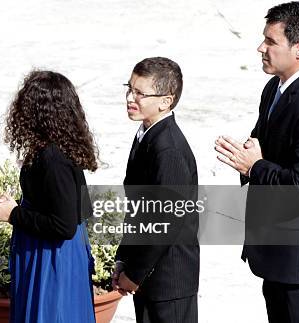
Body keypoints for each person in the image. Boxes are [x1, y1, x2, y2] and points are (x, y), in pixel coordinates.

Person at [215, 2, 299, 322]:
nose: (260, 48)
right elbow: (262, 147)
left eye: (270, 41)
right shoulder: (274, 88)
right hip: (277, 257)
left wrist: (254, 166)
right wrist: (247, 157)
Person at [0, 70, 98, 322]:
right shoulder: (59, 149)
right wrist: (22, 205)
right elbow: (79, 208)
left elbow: (64, 225)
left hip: (52, 259)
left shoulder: (53, 159)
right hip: (57, 253)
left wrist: (14, 214)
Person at [112, 57, 199, 323]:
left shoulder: (168, 149)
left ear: (166, 101)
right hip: (151, 276)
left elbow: (166, 221)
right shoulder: (147, 134)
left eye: (140, 93)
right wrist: (123, 259)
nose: (130, 98)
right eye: (129, 88)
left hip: (167, 281)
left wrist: (134, 273)